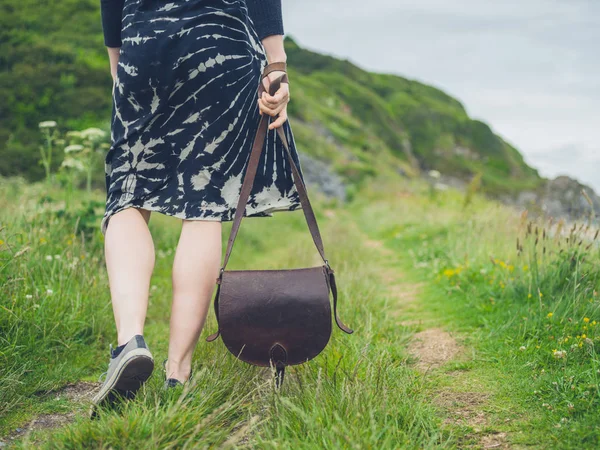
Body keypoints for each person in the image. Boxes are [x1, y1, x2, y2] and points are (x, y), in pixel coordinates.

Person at [92, 0, 302, 412]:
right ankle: (177, 372)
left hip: (143, 41)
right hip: (219, 43)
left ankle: (129, 341)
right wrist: (275, 63)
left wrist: (120, 66)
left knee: (128, 195)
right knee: (203, 205)